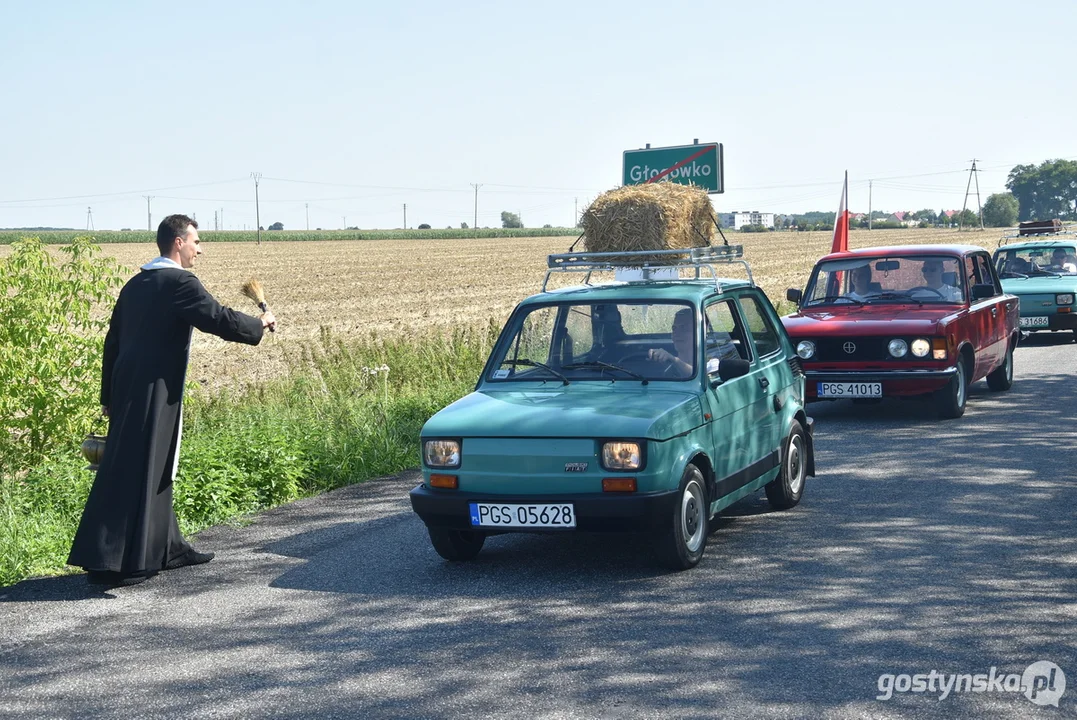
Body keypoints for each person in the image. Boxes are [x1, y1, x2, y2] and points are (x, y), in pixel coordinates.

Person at [67, 215, 277, 586]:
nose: (200, 248)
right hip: (153, 390)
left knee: (153, 463)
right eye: (196, 241)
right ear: (178, 243)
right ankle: (114, 563)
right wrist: (259, 324)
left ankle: (168, 547)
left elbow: (112, 342)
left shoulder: (137, 283)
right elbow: (218, 318)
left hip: (128, 385)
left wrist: (107, 396)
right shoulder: (179, 282)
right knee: (138, 467)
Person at [648, 308, 715, 377]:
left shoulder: (712, 364)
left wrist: (674, 360)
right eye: (674, 328)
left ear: (701, 333)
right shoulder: (669, 369)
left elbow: (699, 377)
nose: (676, 333)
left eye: (684, 328)